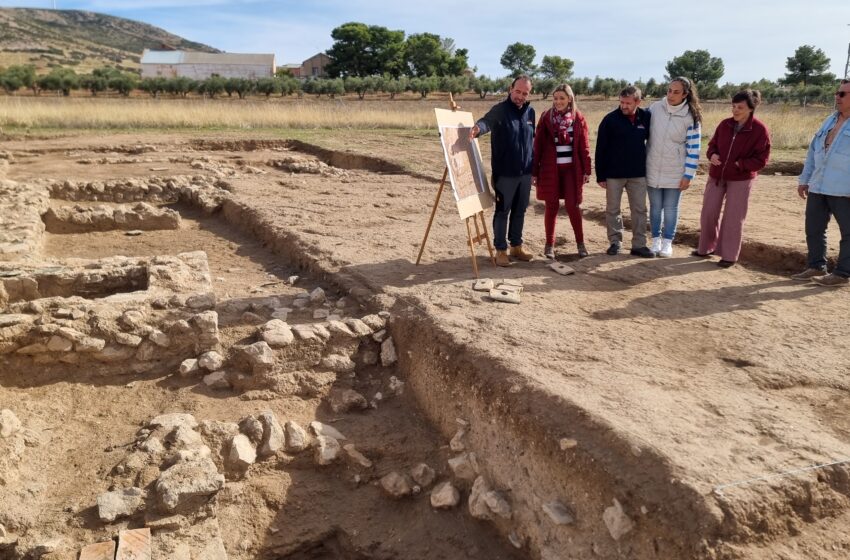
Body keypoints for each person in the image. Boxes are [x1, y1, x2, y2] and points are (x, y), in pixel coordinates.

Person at [694, 89, 771, 267]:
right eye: (733, 106)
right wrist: (712, 155)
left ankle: (729, 255)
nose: (735, 110)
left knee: (733, 217)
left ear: (751, 108)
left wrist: (740, 165)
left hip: (741, 179)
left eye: (740, 107)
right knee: (708, 212)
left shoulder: (760, 130)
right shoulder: (724, 125)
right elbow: (712, 145)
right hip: (716, 175)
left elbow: (762, 159)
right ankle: (706, 248)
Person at [470, 75, 536, 266]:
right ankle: (501, 250)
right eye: (518, 91)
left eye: (525, 93)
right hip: (504, 174)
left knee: (520, 211)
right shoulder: (499, 110)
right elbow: (486, 122)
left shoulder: (530, 112)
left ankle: (516, 246)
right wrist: (477, 129)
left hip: (525, 173)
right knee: (502, 211)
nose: (521, 96)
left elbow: (534, 140)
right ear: (510, 89)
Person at [791, 79, 850, 287]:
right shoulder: (830, 120)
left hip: (844, 189)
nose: (837, 97)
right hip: (819, 185)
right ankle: (816, 266)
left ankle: (843, 274)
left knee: (848, 233)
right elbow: (813, 152)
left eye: (842, 94)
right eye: (837, 93)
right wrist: (805, 179)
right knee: (814, 228)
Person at [531, 83, 591, 259]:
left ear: (570, 99)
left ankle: (581, 244)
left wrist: (587, 169)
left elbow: (584, 146)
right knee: (551, 206)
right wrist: (534, 172)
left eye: (562, 98)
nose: (558, 101)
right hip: (551, 169)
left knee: (573, 206)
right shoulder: (546, 117)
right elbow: (538, 147)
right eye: (555, 98)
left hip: (572, 171)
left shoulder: (578, 118)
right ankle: (549, 245)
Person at [595, 85, 654, 258]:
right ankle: (615, 242)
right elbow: (601, 149)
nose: (624, 106)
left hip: (638, 173)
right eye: (621, 102)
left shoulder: (646, 117)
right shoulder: (609, 120)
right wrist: (600, 175)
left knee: (640, 210)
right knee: (613, 209)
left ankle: (639, 245)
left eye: (628, 103)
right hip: (613, 174)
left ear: (638, 101)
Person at [646, 77, 702, 258]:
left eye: (676, 92)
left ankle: (667, 243)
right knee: (655, 207)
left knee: (670, 208)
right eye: (669, 90)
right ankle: (655, 240)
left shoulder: (691, 116)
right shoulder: (655, 108)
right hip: (652, 166)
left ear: (686, 94)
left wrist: (689, 175)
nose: (671, 95)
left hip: (676, 171)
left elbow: (694, 148)